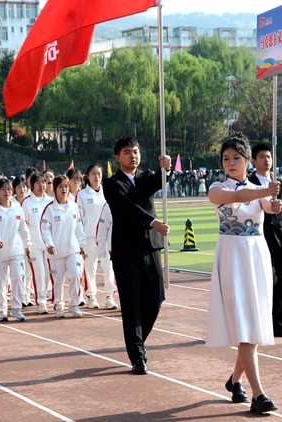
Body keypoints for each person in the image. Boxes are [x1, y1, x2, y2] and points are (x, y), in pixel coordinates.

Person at [207, 134, 282, 414]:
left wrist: (274, 203)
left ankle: (235, 380)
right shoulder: (217, 188)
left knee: (254, 325)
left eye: (236, 158)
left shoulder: (260, 189)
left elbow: (268, 207)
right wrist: (265, 191)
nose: (231, 163)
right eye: (226, 158)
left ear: (248, 161)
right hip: (232, 257)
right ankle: (258, 395)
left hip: (256, 255)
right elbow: (238, 196)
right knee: (244, 324)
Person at [102, 136, 171, 375]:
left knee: (156, 297)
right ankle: (137, 356)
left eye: (136, 151)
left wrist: (166, 169)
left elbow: (158, 181)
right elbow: (127, 207)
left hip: (150, 247)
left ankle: (138, 342)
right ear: (117, 157)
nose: (133, 155)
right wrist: (153, 222)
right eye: (127, 152)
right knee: (131, 304)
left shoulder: (145, 177)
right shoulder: (112, 184)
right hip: (126, 251)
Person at [249, 144, 282, 338]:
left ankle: (278, 324)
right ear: (253, 161)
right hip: (259, 238)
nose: (266, 160)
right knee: (263, 282)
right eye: (262, 157)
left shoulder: (278, 184)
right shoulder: (249, 184)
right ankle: (259, 323)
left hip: (280, 239)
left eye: (269, 157)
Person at [41, 175, 86, 318]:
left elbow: (79, 228)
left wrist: (81, 244)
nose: (64, 189)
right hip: (56, 252)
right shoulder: (49, 209)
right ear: (55, 189)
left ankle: (74, 304)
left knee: (76, 275)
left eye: (66, 186)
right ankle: (59, 306)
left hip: (73, 249)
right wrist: (49, 244)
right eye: (60, 186)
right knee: (58, 280)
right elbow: (44, 228)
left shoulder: (74, 207)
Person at [77, 164, 118, 310]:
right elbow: (79, 217)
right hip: (89, 237)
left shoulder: (107, 192)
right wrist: (81, 237)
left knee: (109, 266)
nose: (97, 176)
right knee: (90, 267)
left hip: (107, 237)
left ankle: (109, 296)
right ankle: (91, 296)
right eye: (93, 174)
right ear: (87, 176)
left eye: (99, 173)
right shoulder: (82, 195)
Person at [0, 179, 31, 322]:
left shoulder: (17, 208)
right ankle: (2, 310)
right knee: (0, 282)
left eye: (9, 189)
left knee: (18, 278)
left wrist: (27, 245)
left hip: (16, 251)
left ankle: (16, 308)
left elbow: (23, 229)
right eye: (3, 189)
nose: (6, 192)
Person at [21, 173, 53, 314]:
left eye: (43, 182)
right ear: (32, 185)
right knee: (39, 273)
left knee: (47, 274)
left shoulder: (51, 201)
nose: (41, 186)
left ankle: (44, 296)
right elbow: (23, 225)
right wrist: (27, 243)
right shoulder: (27, 203)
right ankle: (41, 302)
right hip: (34, 245)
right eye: (38, 183)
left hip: (49, 244)